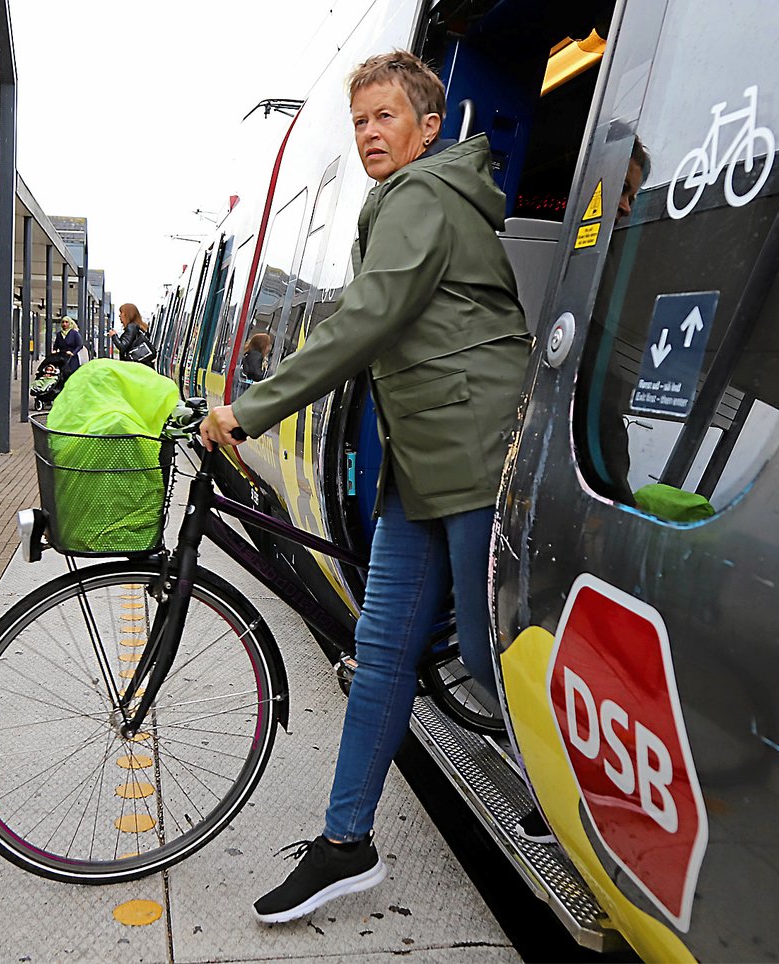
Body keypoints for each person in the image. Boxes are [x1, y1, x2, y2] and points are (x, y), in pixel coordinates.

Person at [199, 50, 532, 924]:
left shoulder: (422, 196)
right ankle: (346, 844)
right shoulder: (404, 202)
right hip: (422, 464)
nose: (368, 134)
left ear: (428, 129)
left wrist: (253, 409)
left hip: (468, 451)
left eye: (385, 117)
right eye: (359, 123)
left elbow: (369, 314)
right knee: (381, 656)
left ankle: (583, 819)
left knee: (497, 668)